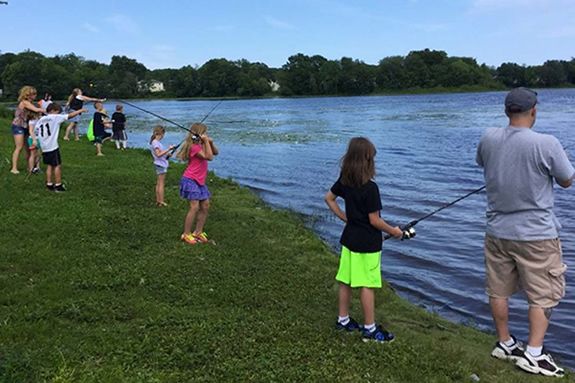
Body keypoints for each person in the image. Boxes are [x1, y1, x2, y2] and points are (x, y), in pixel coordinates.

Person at [476, 87, 574, 377]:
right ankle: (534, 353)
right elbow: (567, 180)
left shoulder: (488, 137)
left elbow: (483, 163)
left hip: (497, 231)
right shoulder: (547, 142)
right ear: (534, 111)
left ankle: (505, 343)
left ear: (507, 111)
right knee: (543, 296)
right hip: (537, 235)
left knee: (498, 290)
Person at [324, 137, 403, 343]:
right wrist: (394, 231)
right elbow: (374, 220)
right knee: (367, 284)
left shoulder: (345, 180)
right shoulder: (370, 188)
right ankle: (369, 329)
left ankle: (343, 320)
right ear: (368, 160)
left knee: (346, 281)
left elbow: (329, 198)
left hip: (349, 239)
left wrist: (345, 218)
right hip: (367, 244)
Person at [176, 123, 219, 245]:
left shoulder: (202, 145)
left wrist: (210, 142)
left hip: (200, 181)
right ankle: (186, 234)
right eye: (204, 133)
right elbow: (209, 157)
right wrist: (205, 142)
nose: (206, 135)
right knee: (194, 207)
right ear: (198, 134)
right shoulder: (194, 147)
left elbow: (215, 152)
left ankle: (198, 232)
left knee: (205, 205)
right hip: (190, 179)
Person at [34, 103, 88, 192]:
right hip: (52, 146)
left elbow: (36, 131)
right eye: (57, 112)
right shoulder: (56, 117)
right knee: (57, 166)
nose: (58, 114)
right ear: (52, 111)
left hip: (44, 146)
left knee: (49, 166)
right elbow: (70, 116)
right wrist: (80, 110)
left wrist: (38, 143)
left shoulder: (41, 119)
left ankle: (49, 184)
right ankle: (58, 185)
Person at [10, 86, 45, 174]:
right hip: (18, 125)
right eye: (33, 94)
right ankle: (14, 168)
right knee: (19, 147)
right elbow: (36, 110)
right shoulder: (24, 102)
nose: (35, 96)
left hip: (27, 126)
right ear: (27, 95)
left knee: (28, 148)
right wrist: (48, 110)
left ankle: (30, 167)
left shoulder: (30, 102)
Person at [150, 125, 174, 207]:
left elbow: (160, 152)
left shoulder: (155, 142)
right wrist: (168, 149)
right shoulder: (155, 143)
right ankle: (161, 202)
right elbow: (158, 154)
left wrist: (168, 154)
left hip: (159, 164)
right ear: (161, 133)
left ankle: (158, 200)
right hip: (161, 165)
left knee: (158, 183)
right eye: (163, 134)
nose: (163, 136)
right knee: (161, 184)